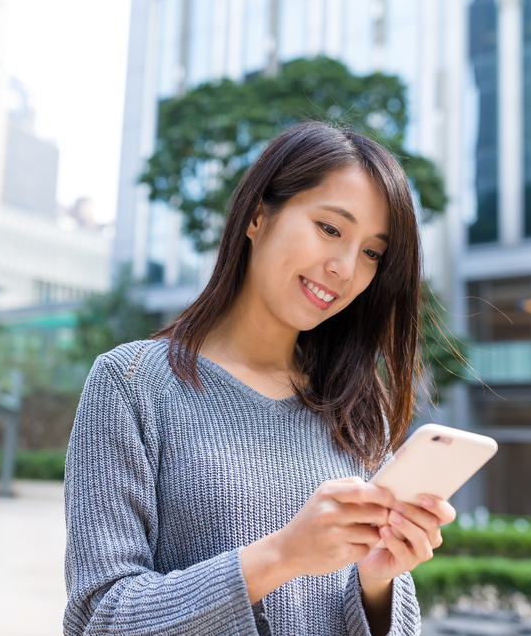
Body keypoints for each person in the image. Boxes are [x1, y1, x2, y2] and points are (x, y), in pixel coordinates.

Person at [63, 122, 457, 636]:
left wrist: (377, 583)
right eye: (331, 229)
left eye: (372, 253)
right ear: (256, 215)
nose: (344, 267)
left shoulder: (358, 408)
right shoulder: (131, 383)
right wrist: (280, 555)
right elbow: (100, 617)